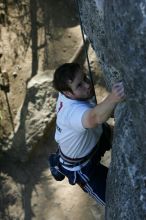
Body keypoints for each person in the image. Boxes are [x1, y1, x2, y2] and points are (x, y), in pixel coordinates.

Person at [52, 63, 125, 206]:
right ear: (67, 93)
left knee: (110, 130)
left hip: (92, 137)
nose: (87, 85)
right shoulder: (71, 112)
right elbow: (94, 118)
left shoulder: (68, 92)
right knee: (115, 202)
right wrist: (114, 97)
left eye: (85, 77)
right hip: (82, 167)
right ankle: (58, 166)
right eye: (79, 85)